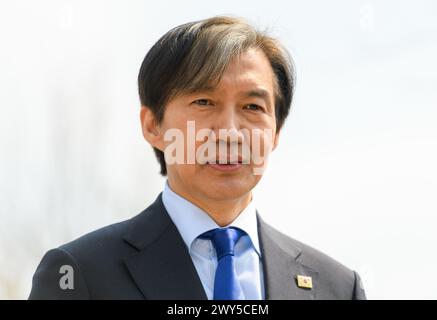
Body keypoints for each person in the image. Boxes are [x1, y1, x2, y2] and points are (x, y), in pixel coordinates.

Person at [29, 16, 366, 300]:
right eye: (204, 102)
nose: (230, 132)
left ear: (275, 132)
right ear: (153, 125)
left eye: (253, 107)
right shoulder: (79, 273)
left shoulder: (336, 287)